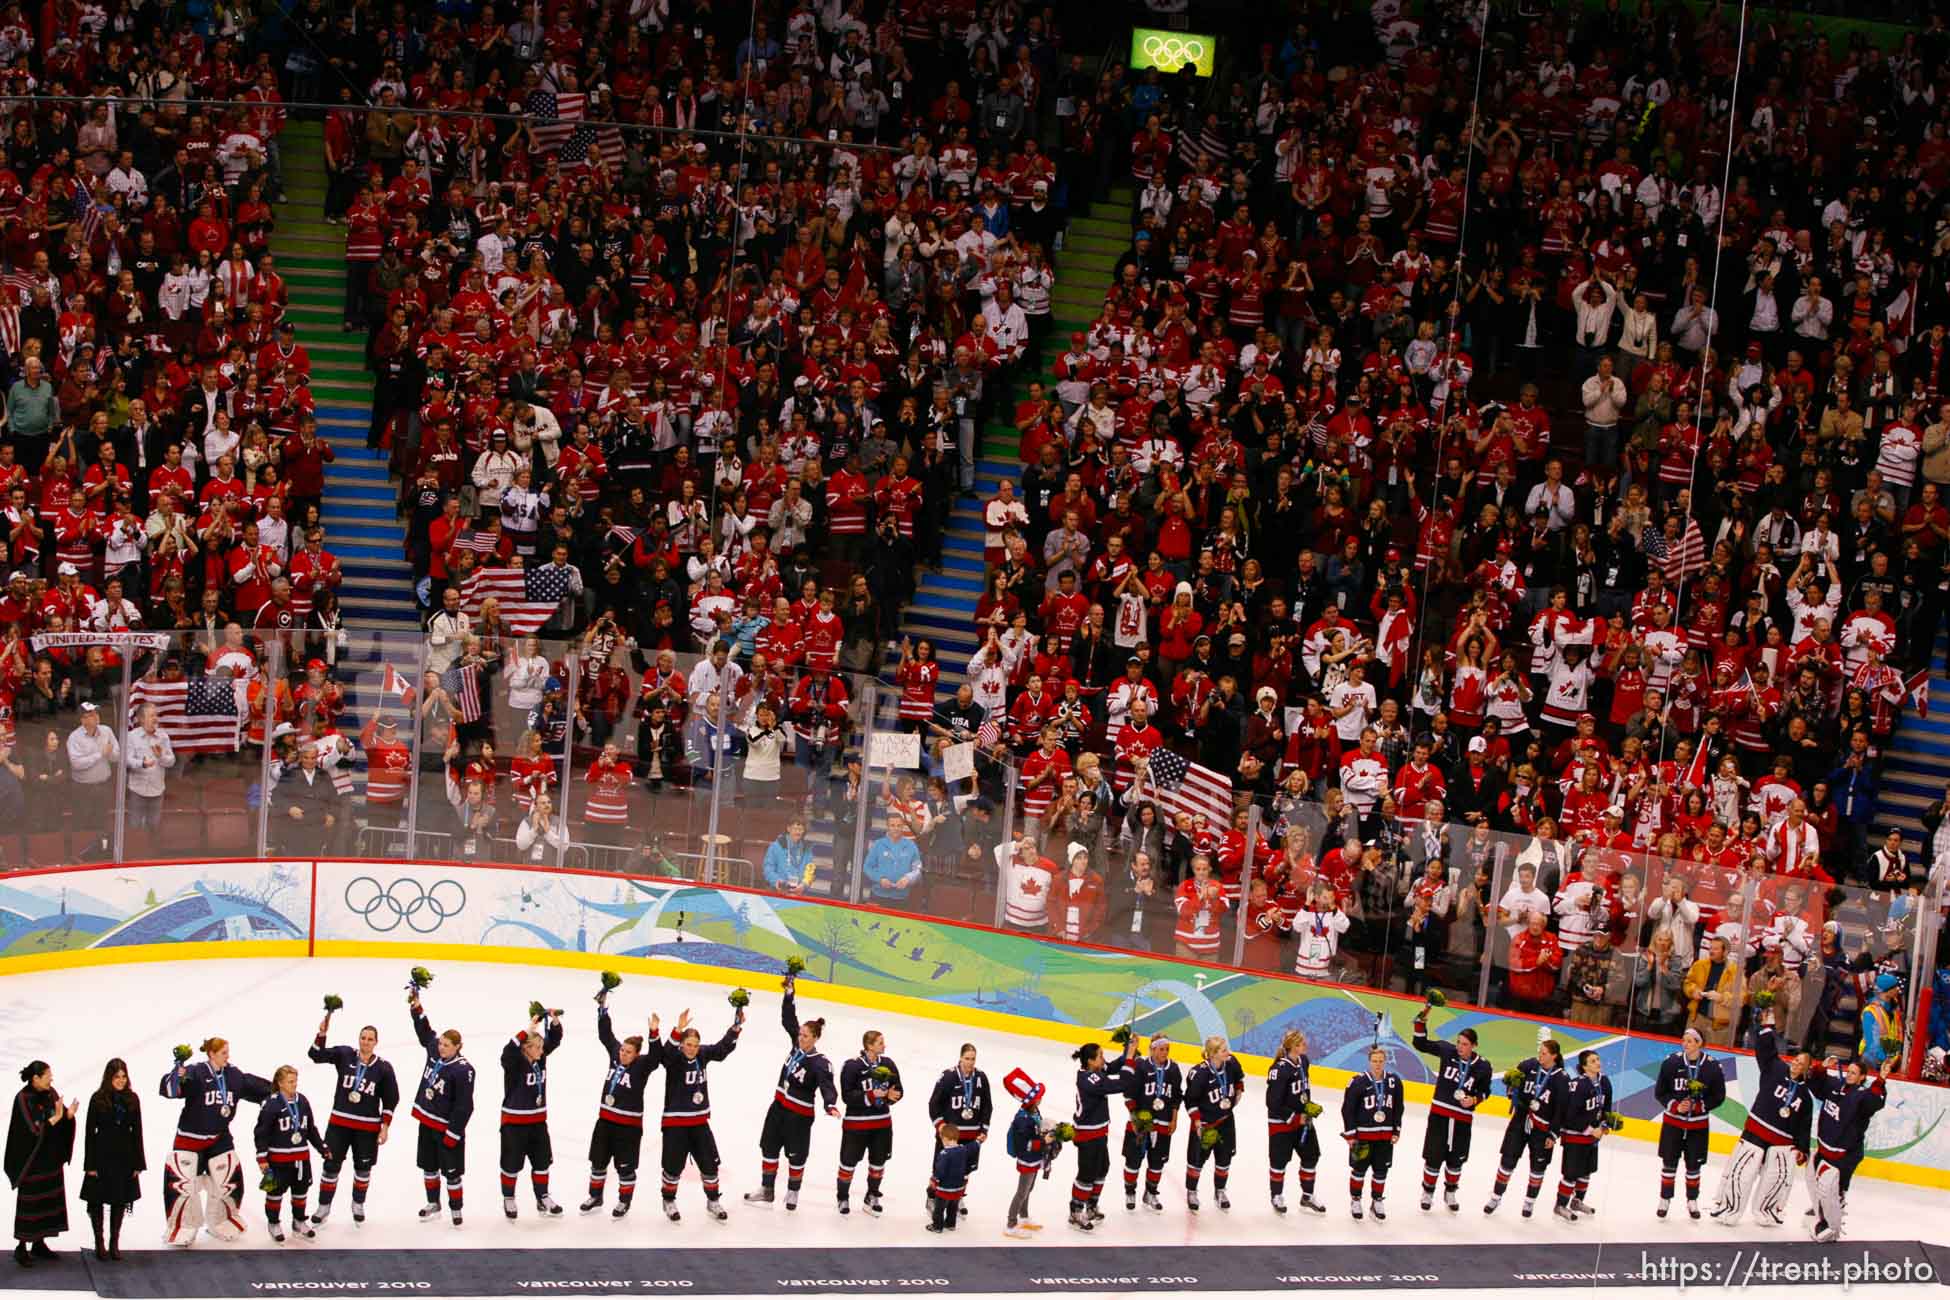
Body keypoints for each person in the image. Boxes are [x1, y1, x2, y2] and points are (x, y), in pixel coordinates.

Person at [158, 1037, 274, 1246]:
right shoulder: (196, 1072)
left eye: (228, 1052)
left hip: (219, 1138)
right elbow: (169, 1091)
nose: (227, 1056)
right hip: (189, 1139)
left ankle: (222, 1220)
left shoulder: (233, 1075)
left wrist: (275, 1098)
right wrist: (177, 1073)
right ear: (211, 1054)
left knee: (228, 1179)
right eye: (223, 1053)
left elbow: (261, 1089)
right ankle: (183, 1226)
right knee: (182, 1186)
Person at [1710, 1009, 1814, 1226]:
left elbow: (1804, 1125)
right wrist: (1768, 1026)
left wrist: (1802, 1149)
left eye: (1801, 1064)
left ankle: (1767, 1212)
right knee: (1741, 1172)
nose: (1796, 1064)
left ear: (1806, 1070)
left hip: (1781, 1142)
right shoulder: (1775, 1068)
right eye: (1795, 1060)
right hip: (1756, 1132)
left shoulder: (1805, 1096)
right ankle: (1727, 1207)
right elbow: (1765, 1050)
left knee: (1776, 1179)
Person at [746, 973, 837, 1211]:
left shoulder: (820, 1062)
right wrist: (789, 993)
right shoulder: (796, 1047)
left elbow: (828, 1086)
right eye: (800, 1034)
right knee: (768, 1146)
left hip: (799, 1116)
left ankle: (793, 1192)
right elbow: (788, 1019)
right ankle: (767, 1190)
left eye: (805, 1035)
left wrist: (830, 1104)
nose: (800, 1037)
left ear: (815, 1038)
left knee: (796, 1155)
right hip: (778, 1108)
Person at [306, 1005, 400, 1227]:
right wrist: (321, 1034)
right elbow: (316, 1056)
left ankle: (358, 1204)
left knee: (363, 1168)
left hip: (367, 1129)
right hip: (339, 1124)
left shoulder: (384, 1068)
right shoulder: (345, 1054)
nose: (365, 1042)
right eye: (363, 1037)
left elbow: (391, 1099)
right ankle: (324, 1207)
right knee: (330, 1166)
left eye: (370, 1039)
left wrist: (385, 1126)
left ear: (376, 1042)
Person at [653, 1007, 742, 1222]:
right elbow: (663, 1054)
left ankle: (712, 1200)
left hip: (700, 1122)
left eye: (695, 1045)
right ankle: (669, 1200)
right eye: (688, 1044)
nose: (692, 1049)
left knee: (710, 1164)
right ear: (682, 1044)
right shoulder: (673, 1060)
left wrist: (736, 1027)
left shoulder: (702, 1054)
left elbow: (721, 1050)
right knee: (673, 1166)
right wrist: (678, 1029)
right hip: (675, 1123)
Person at [581, 992, 660, 1219]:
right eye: (622, 1050)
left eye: (627, 1052)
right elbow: (606, 1035)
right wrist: (603, 1008)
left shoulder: (643, 1065)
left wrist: (653, 1032)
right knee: (598, 1162)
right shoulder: (615, 1057)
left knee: (625, 1167)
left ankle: (624, 1201)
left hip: (628, 1127)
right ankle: (595, 1196)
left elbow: (656, 1056)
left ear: (636, 1054)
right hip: (605, 1122)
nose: (623, 1054)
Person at [1410, 1004, 1492, 1212]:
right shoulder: (1447, 1051)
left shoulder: (1483, 1066)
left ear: (1474, 1045)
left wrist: (1474, 1101)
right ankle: (1427, 1192)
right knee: (1433, 1155)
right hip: (1440, 1114)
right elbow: (1419, 1043)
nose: (1459, 1047)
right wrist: (1424, 1014)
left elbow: (1485, 1092)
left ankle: (1450, 1192)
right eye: (1458, 1042)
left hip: (1463, 1119)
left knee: (1456, 1158)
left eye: (1464, 1044)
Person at [407, 984, 476, 1227]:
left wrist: (453, 1133)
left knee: (452, 1172)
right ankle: (433, 1203)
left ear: (457, 1047)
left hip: (447, 1129)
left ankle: (456, 1209)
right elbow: (425, 1033)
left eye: (447, 1045)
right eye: (441, 1044)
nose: (441, 1047)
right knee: (428, 1166)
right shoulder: (435, 1053)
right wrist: (416, 1007)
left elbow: (465, 1106)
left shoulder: (463, 1070)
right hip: (427, 1122)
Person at [1485, 1036, 1569, 1218]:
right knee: (1507, 1159)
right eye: (1540, 1052)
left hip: (1543, 1128)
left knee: (1537, 1168)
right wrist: (1511, 1089)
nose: (1540, 1056)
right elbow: (1512, 1082)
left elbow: (1561, 1110)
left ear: (1554, 1056)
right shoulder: (1529, 1065)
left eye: (1544, 1053)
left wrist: (1553, 1135)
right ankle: (1496, 1197)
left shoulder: (1561, 1078)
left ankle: (1529, 1202)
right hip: (1520, 1121)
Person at [1806, 1055, 1888, 1242]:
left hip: (1845, 1155)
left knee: (1834, 1190)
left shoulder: (1861, 1095)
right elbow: (1814, 1085)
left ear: (1862, 1077)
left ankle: (1831, 1225)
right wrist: (1821, 1067)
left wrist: (1881, 1079)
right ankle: (1822, 1211)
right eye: (1848, 1071)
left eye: (1854, 1073)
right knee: (1815, 1182)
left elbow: (1875, 1102)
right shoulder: (1835, 1086)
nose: (1849, 1075)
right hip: (1824, 1149)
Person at [6, 1061, 75, 1267]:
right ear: (35, 1078)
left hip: (50, 1159)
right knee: (31, 1204)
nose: (51, 1079)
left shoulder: (51, 1092)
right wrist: (55, 1119)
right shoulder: (22, 1098)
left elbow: (58, 1115)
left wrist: (68, 1117)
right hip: (31, 1161)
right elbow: (31, 1130)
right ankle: (21, 1247)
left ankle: (39, 1243)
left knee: (47, 1202)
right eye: (48, 1076)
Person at [498, 1007, 565, 1220]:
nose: (541, 1050)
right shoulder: (514, 1063)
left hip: (537, 1122)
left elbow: (554, 1040)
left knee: (542, 1162)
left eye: (541, 1047)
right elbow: (508, 1051)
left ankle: (543, 1197)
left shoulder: (541, 1060)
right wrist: (527, 1030)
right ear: (526, 1048)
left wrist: (553, 1021)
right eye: (536, 1047)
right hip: (514, 1123)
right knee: (511, 1164)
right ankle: (509, 1198)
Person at [1653, 1027, 1726, 1220]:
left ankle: (1692, 1201)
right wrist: (1675, 1106)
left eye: (1690, 1041)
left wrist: (1700, 1106)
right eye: (1683, 1040)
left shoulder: (1712, 1067)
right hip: (1673, 1124)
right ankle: (1665, 1199)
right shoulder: (1671, 1063)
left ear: (1699, 1043)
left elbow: (1719, 1096)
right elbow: (1660, 1092)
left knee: (1694, 1165)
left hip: (1698, 1127)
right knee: (1669, 1163)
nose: (1685, 1044)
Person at [252, 1065, 328, 1242]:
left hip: (301, 1159)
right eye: (290, 1081)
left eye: (295, 1081)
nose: (295, 1084)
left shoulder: (302, 1101)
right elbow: (261, 1133)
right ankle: (273, 1223)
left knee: (301, 1192)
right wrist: (262, 1158)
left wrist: (322, 1148)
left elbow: (310, 1129)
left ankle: (299, 1221)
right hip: (278, 1160)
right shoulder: (271, 1104)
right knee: (275, 1193)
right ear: (280, 1083)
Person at [79, 1059, 142, 1261]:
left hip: (124, 1155)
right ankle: (99, 1241)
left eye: (124, 1077)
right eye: (117, 1077)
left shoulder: (132, 1099)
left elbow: (137, 1132)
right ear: (109, 1077)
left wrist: (138, 1163)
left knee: (119, 1199)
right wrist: (90, 1164)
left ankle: (114, 1242)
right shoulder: (97, 1099)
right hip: (102, 1154)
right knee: (97, 1199)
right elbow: (89, 1133)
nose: (121, 1081)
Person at [1066, 1037, 1131, 1229]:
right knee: (1087, 1173)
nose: (1104, 1060)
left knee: (1102, 1168)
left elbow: (1112, 1067)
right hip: (1087, 1134)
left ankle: (1091, 1206)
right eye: (1101, 1056)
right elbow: (1119, 1084)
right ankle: (1076, 1211)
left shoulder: (1095, 1071)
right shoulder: (1088, 1078)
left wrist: (1129, 1050)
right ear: (1090, 1061)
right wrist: (1130, 1063)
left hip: (1099, 1131)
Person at [837, 1030, 902, 1216]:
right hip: (856, 1126)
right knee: (848, 1163)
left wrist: (890, 1096)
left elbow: (899, 1090)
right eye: (880, 1042)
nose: (884, 1045)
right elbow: (847, 1096)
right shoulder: (852, 1066)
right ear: (869, 1045)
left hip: (882, 1125)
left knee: (878, 1162)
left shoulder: (888, 1064)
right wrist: (872, 1095)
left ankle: (872, 1195)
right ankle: (842, 1197)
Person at [926, 1044, 992, 1221]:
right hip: (950, 1136)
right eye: (967, 1058)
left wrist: (984, 1129)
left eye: (973, 1059)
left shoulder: (981, 1078)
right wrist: (940, 1125)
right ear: (961, 1058)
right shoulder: (948, 1077)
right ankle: (932, 1198)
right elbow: (934, 1104)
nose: (970, 1062)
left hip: (971, 1137)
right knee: (940, 1169)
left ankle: (959, 1197)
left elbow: (987, 1106)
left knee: (964, 1171)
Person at [1266, 1029, 1326, 1214]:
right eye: (1301, 1043)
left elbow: (1302, 1092)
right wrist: (1294, 1117)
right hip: (1281, 1124)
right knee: (1279, 1161)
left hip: (1303, 1122)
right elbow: (1272, 1103)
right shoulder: (1279, 1069)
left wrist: (1308, 1107)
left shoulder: (1304, 1062)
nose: (1305, 1045)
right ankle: (1277, 1195)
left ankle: (1307, 1196)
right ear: (1292, 1046)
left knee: (1312, 1155)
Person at [1182, 1035, 1245, 1215]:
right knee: (1197, 1160)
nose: (1229, 1052)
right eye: (1224, 1050)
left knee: (1224, 1158)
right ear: (1212, 1054)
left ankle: (1220, 1191)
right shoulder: (1199, 1074)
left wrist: (1239, 1090)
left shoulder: (1231, 1063)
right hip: (1206, 1125)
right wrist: (1197, 1122)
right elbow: (1190, 1100)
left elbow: (1239, 1077)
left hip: (1225, 1122)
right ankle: (1192, 1191)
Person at [1341, 1044, 1404, 1220]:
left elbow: (1399, 1107)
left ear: (1385, 1062)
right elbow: (1347, 1110)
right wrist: (1351, 1134)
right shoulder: (1357, 1082)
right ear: (1369, 1061)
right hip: (1362, 1137)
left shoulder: (1394, 1082)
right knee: (1358, 1170)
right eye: (1374, 1061)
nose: (1377, 1064)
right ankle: (1355, 1199)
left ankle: (1377, 1200)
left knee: (1381, 1171)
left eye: (1381, 1061)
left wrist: (1396, 1130)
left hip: (1384, 1137)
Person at [1120, 1032, 1181, 1211]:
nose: (1165, 1052)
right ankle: (1130, 1191)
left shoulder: (1173, 1069)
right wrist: (1134, 1118)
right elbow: (1129, 1095)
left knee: (1157, 1163)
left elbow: (1177, 1097)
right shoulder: (1140, 1066)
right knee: (1133, 1160)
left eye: (1167, 1049)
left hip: (1162, 1124)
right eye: (1161, 1049)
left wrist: (1174, 1119)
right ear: (1152, 1049)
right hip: (1140, 1124)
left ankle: (1151, 1193)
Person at [1553, 1049, 1614, 1221]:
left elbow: (1606, 1108)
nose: (1598, 1063)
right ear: (1584, 1066)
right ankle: (1560, 1205)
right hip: (1575, 1135)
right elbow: (1570, 1115)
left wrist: (1604, 1125)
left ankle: (1577, 1201)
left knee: (1586, 1171)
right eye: (1593, 1061)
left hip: (1593, 1137)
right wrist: (1589, 1129)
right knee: (1571, 1173)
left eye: (1598, 1059)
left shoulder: (1605, 1082)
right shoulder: (1578, 1084)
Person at [1001, 1070, 1055, 1238]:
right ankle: (1011, 1224)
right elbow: (1024, 1145)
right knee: (1022, 1192)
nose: (1041, 1098)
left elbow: (1036, 1132)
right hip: (1027, 1160)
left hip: (1034, 1159)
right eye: (1038, 1096)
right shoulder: (1023, 1119)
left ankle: (1023, 1217)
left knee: (1029, 1189)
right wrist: (1043, 1141)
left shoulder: (1034, 1112)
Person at [926, 1123, 974, 1234]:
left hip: (944, 1189)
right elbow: (972, 1148)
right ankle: (951, 1224)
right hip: (958, 1188)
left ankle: (937, 1226)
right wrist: (978, 1142)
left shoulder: (944, 1154)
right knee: (953, 1206)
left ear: (946, 1139)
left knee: (939, 1208)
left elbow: (940, 1170)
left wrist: (934, 1179)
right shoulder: (963, 1150)